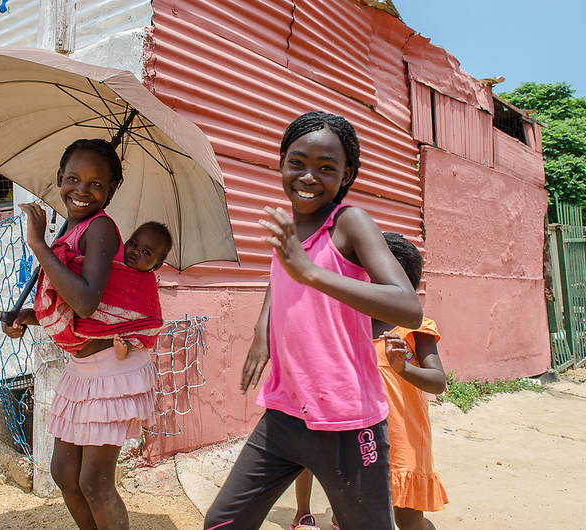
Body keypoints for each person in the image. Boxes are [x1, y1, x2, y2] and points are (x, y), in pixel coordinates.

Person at [203, 111, 423, 530]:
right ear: (281, 161)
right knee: (221, 523)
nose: (308, 176)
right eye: (297, 162)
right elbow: (279, 279)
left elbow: (408, 306)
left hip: (347, 419)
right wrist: (261, 331)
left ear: (346, 175)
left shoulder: (349, 223)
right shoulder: (289, 228)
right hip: (285, 413)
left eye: (326, 168)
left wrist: (313, 273)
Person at [0, 139, 155, 530]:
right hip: (82, 370)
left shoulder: (100, 228)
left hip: (110, 371)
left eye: (96, 184)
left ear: (111, 191)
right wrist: (25, 317)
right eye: (73, 179)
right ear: (59, 179)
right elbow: (71, 305)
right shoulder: (70, 231)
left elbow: (86, 303)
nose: (82, 190)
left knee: (95, 481)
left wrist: (36, 244)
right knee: (64, 472)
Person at [291, 232, 449, 530]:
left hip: (405, 444)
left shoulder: (414, 328)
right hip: (359, 442)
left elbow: (437, 381)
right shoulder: (350, 325)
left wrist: (405, 370)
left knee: (408, 521)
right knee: (347, 518)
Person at [112, 221, 173, 360]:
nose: (135, 251)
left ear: (156, 265)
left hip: (132, 332)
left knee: (145, 330)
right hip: (104, 334)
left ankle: (127, 347)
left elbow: (151, 318)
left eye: (146, 252)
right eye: (133, 243)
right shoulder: (113, 266)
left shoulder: (147, 284)